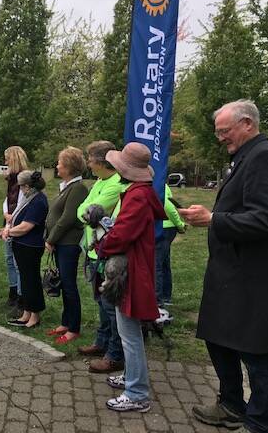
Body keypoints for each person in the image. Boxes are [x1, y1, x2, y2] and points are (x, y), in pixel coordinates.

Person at [179, 100, 268, 433]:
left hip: (256, 277)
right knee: (218, 338)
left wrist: (214, 220)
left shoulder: (265, 158)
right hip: (232, 273)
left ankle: (261, 423)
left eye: (224, 131)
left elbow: (267, 218)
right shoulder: (245, 157)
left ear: (247, 123)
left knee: (257, 352)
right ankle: (231, 405)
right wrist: (213, 217)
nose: (220, 138)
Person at [98, 142, 166, 413]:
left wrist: (102, 245)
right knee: (129, 330)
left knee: (129, 333)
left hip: (131, 270)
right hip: (133, 267)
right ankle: (132, 378)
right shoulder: (140, 193)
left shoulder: (137, 196)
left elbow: (124, 234)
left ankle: (137, 392)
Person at [75, 141, 127, 374]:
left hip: (108, 254)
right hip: (95, 251)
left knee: (110, 305)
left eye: (90, 159)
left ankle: (115, 355)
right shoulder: (100, 181)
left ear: (102, 161)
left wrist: (87, 212)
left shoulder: (116, 184)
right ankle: (102, 341)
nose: (88, 163)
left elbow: (87, 212)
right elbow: (83, 210)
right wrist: (87, 212)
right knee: (100, 301)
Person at [44, 147, 88, 344]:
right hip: (60, 243)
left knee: (69, 286)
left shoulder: (78, 188)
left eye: (60, 163)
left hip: (68, 244)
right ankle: (65, 322)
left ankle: (74, 328)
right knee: (64, 282)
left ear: (69, 166)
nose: (57, 166)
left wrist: (51, 238)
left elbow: (68, 218)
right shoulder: (67, 187)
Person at [2, 170, 49, 329]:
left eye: (21, 187)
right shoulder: (31, 198)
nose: (21, 190)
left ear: (28, 186)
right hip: (22, 245)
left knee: (32, 281)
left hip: (31, 246)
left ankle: (35, 315)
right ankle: (26, 313)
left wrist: (8, 231)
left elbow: (26, 226)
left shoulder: (38, 201)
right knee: (26, 280)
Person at [1, 145, 29, 309]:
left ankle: (20, 296)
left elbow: (23, 200)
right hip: (10, 221)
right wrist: (6, 214)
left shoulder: (24, 178)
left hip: (18, 224)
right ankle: (12, 291)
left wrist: (12, 218)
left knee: (18, 263)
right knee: (9, 259)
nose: (5, 162)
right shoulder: (11, 178)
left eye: (7, 158)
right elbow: (7, 199)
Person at [155, 184, 185, 307]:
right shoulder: (162, 183)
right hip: (168, 228)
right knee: (164, 263)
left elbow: (168, 206)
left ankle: (158, 301)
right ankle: (166, 296)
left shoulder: (158, 184)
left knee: (156, 265)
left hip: (163, 228)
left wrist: (180, 224)